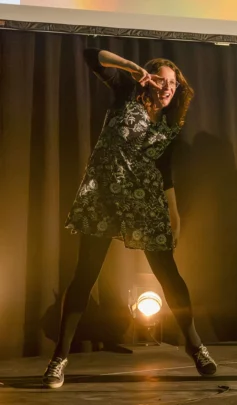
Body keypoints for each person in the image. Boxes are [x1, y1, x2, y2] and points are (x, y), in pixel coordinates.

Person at [41, 48, 217, 389]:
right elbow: (91, 54)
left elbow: (165, 175)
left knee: (169, 275)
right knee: (84, 276)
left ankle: (196, 346)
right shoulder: (125, 95)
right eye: (162, 81)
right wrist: (131, 68)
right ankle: (58, 359)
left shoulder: (169, 125)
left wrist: (175, 215)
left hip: (144, 202)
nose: (168, 88)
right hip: (104, 198)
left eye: (174, 83)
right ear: (148, 81)